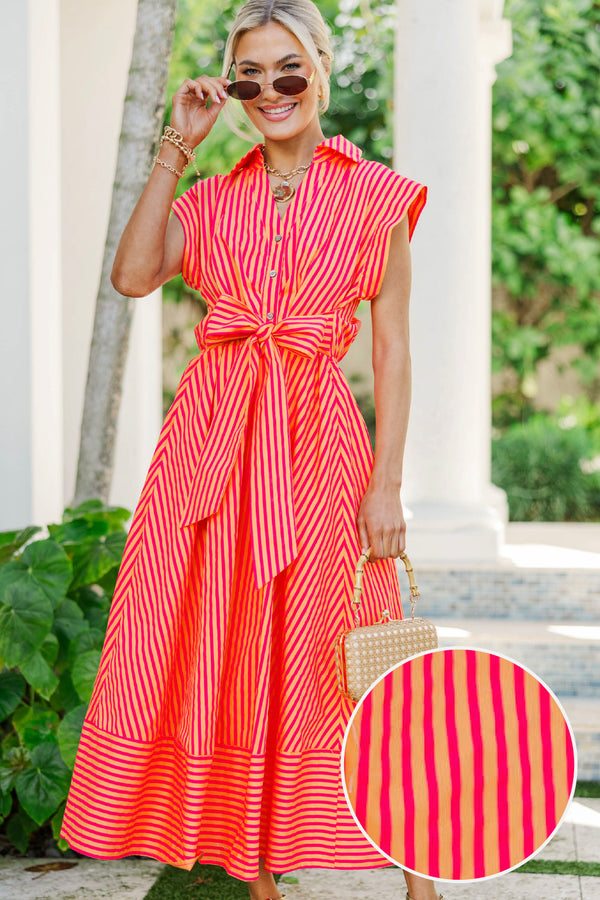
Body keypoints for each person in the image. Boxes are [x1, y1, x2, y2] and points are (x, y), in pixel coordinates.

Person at [60, 2, 439, 899]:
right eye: (250, 77)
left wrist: (387, 484)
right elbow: (133, 274)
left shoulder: (377, 194)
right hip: (210, 443)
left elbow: (393, 350)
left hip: (317, 443)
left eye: (288, 71)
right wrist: (178, 146)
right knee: (214, 633)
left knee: (339, 638)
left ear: (320, 73)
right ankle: (255, 867)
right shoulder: (211, 197)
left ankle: (417, 870)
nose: (271, 91)